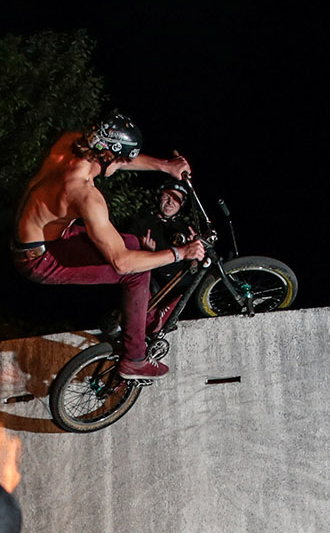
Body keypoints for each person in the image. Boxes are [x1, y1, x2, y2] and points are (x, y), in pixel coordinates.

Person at [12, 113, 205, 379]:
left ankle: (135, 316)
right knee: (135, 269)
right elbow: (122, 263)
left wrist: (164, 166)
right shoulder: (85, 195)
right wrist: (180, 252)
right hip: (38, 260)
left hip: (42, 236)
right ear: (109, 157)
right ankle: (134, 359)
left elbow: (115, 157)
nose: (127, 164)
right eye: (124, 160)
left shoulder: (70, 144)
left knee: (132, 243)